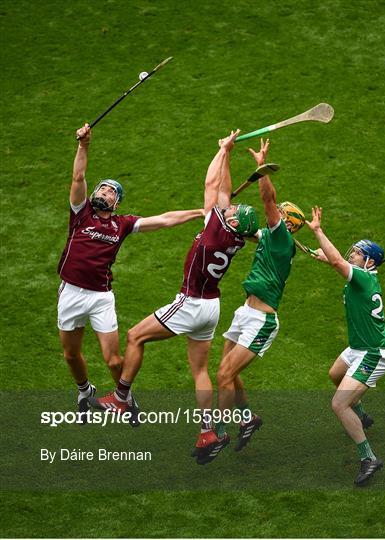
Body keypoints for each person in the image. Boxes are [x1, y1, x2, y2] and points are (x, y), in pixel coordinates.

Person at [88, 130, 259, 450]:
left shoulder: (216, 226)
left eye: (235, 213)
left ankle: (121, 397)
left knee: (135, 336)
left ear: (233, 223)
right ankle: (207, 431)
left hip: (191, 301)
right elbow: (223, 190)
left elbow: (212, 187)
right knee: (199, 371)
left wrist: (222, 149)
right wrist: (230, 156)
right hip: (212, 308)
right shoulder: (234, 236)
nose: (231, 208)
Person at [58, 123, 204, 421]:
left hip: (100, 297)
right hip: (70, 291)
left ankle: (123, 397)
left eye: (112, 191)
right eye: (103, 188)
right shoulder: (80, 213)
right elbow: (78, 176)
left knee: (113, 360)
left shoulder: (121, 224)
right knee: (71, 355)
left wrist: (199, 213)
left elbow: (162, 220)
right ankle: (84, 389)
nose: (105, 192)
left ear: (117, 202)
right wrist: (84, 146)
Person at [197, 138, 306, 465]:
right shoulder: (271, 237)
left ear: (287, 223)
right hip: (245, 313)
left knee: (225, 375)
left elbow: (268, 199)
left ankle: (217, 432)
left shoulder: (282, 236)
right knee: (225, 372)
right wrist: (219, 214)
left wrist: (262, 169)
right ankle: (247, 418)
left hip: (262, 321)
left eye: (279, 215)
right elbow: (244, 229)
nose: (273, 215)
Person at [306, 206, 385, 486]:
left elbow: (338, 265)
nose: (351, 254)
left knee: (339, 404)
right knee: (335, 374)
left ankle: (369, 458)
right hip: (358, 348)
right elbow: (335, 263)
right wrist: (326, 258)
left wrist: (318, 231)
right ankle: (363, 416)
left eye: (357, 253)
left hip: (374, 354)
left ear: (369, 262)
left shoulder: (365, 278)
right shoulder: (363, 276)